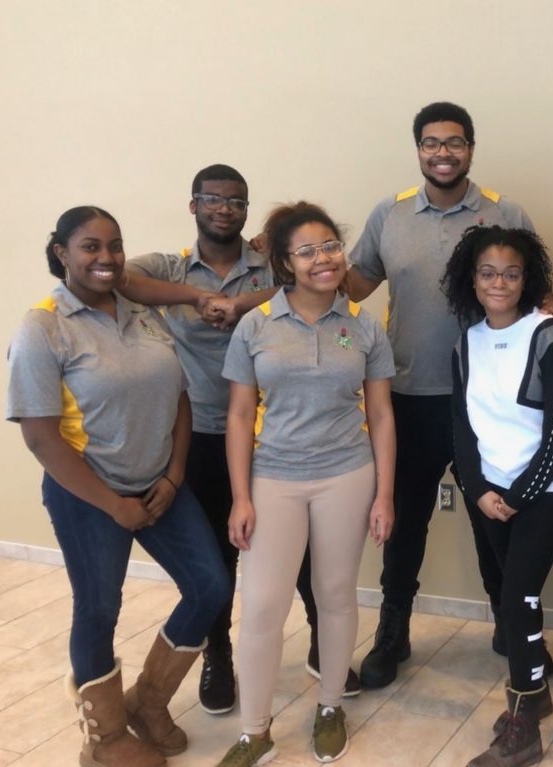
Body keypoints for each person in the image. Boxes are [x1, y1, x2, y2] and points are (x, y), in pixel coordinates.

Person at [124, 164, 357, 712]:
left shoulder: (269, 264)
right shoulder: (171, 266)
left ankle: (327, 650)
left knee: (301, 557)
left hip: (274, 438)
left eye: (235, 201)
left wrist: (239, 304)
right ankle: (219, 658)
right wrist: (194, 295)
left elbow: (309, 282)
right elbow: (122, 279)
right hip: (204, 432)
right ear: (194, 206)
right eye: (213, 200)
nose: (224, 209)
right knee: (219, 558)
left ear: (248, 211)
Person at [6, 206, 230, 767]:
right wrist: (112, 504)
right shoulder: (43, 327)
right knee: (99, 608)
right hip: (89, 495)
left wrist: (175, 476)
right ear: (62, 253)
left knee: (211, 586)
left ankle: (148, 703)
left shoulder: (143, 314)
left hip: (160, 484)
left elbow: (180, 399)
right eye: (90, 246)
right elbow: (40, 437)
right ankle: (104, 740)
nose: (105, 258)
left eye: (114, 245)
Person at [345, 101, 543, 689]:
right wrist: (295, 263)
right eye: (431, 143)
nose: (442, 153)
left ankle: (512, 629)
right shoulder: (391, 213)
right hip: (407, 395)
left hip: (487, 402)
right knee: (403, 523)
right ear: (418, 150)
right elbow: (355, 284)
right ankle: (393, 633)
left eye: (454, 143)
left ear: (471, 149)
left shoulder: (504, 211)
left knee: (496, 521)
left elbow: (530, 291)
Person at [215, 202, 396, 766]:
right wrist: (241, 496)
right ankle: (254, 731)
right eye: (308, 250)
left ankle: (330, 706)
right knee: (264, 605)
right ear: (285, 263)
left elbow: (383, 416)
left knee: (336, 594)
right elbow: (241, 416)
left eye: (331, 246)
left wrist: (385, 494)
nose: (324, 259)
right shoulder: (257, 324)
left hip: (348, 474)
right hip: (275, 479)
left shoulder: (364, 324)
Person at [443, 226, 553, 767]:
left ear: (527, 279)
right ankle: (538, 688)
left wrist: (520, 494)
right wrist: (477, 489)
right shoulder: (467, 341)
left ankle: (523, 723)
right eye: (487, 272)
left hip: (547, 487)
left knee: (518, 594)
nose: (498, 282)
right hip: (491, 490)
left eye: (511, 272)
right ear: (472, 281)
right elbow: (461, 425)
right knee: (506, 587)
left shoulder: (549, 335)